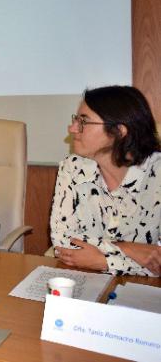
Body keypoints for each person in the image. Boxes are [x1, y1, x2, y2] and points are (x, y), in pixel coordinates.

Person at [50, 85, 161, 276]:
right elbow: (62, 242)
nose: (72, 128)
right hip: (85, 279)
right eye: (75, 119)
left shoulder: (156, 174)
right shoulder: (73, 167)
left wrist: (102, 261)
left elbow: (157, 263)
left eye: (83, 122)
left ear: (119, 131)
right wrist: (130, 249)